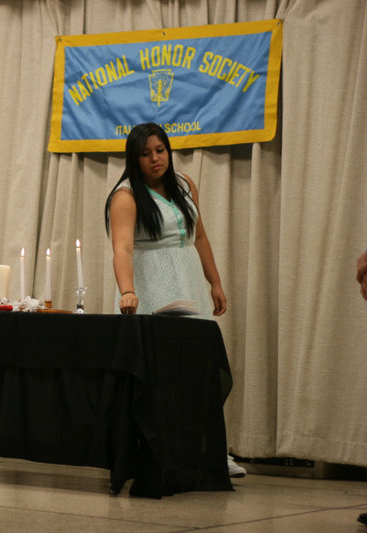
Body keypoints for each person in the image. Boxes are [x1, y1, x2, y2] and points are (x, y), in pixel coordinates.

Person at [103, 122, 245, 478]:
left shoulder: (185, 185)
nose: (155, 159)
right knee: (160, 374)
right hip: (152, 288)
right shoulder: (126, 196)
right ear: (134, 159)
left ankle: (210, 451)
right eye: (146, 153)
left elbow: (199, 236)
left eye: (160, 150)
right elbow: (121, 248)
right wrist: (127, 290)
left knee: (199, 369)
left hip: (189, 285)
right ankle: (156, 454)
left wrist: (215, 281)